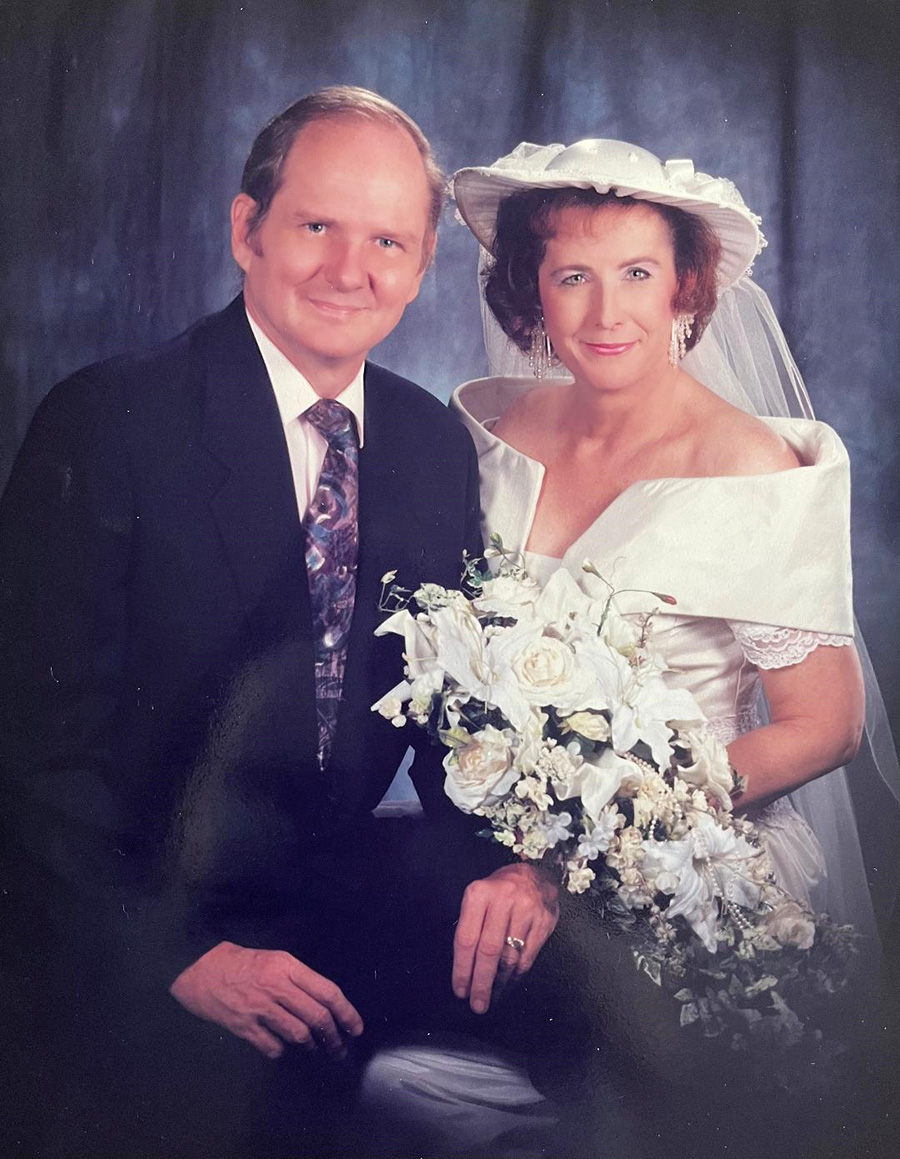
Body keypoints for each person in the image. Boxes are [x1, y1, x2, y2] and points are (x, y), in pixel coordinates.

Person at [0, 88, 559, 1159]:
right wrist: (173, 953)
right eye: (317, 226)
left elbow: (450, 721)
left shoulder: (431, 445)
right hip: (130, 915)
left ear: (422, 262)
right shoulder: (111, 422)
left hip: (329, 905)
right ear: (244, 229)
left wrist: (511, 865)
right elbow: (29, 748)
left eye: (387, 240)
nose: (352, 269)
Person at [449, 138, 899, 1157]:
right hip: (489, 842)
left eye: (638, 275)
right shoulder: (489, 425)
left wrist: (596, 837)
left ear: (686, 288)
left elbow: (827, 723)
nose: (607, 315)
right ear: (530, 290)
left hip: (683, 856)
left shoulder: (750, 467)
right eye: (573, 276)